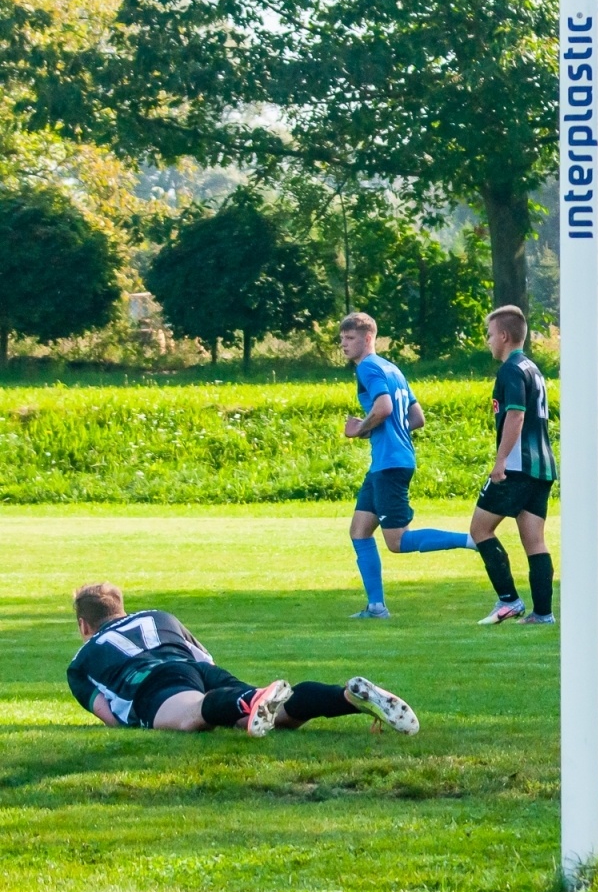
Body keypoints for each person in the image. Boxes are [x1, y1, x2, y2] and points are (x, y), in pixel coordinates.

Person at [65, 583, 419, 736]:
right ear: (121, 608)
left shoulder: (82, 660)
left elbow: (107, 714)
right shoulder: (159, 616)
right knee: (280, 718)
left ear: (84, 625)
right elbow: (205, 656)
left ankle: (251, 701)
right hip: (200, 669)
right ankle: (346, 697)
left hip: (153, 682)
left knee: (192, 716)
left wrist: (135, 725)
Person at [339, 312, 475, 618]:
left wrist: (359, 428)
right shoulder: (392, 369)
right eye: (342, 339)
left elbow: (385, 408)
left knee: (397, 542)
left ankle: (471, 540)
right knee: (360, 531)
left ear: (368, 338)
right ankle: (376, 607)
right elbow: (417, 418)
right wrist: (377, 429)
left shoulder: (369, 368)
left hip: (390, 464)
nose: (344, 345)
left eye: (350, 339)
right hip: (386, 463)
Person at [472, 305, 559, 625]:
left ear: (504, 336)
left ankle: (508, 601)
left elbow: (517, 415)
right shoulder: (532, 368)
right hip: (543, 468)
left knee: (480, 529)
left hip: (517, 468)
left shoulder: (510, 370)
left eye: (490, 334)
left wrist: (500, 462)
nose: (489, 341)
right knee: (534, 539)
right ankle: (543, 613)